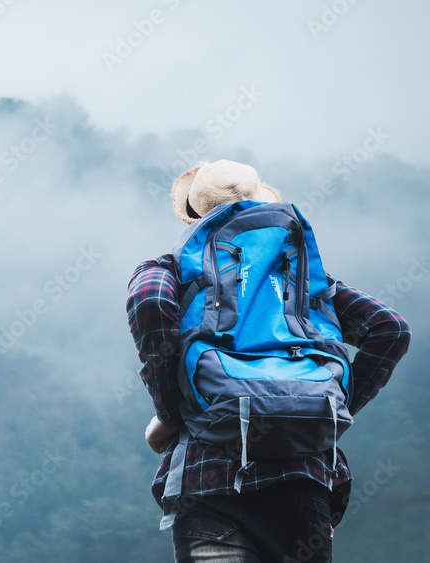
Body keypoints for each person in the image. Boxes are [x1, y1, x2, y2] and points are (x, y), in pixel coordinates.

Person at [126, 160, 412, 562]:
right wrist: (322, 408)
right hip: (303, 478)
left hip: (208, 477)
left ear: (196, 217)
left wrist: (171, 409)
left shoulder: (171, 269)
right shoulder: (304, 280)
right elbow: (391, 329)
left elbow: (151, 304)